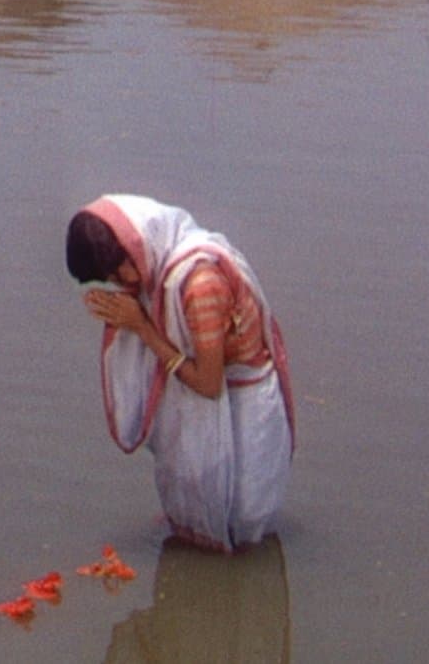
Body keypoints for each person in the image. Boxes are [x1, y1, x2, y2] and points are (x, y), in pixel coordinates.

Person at [67, 195, 294, 552]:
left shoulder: (200, 283)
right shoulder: (161, 272)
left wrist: (143, 328)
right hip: (215, 390)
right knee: (197, 514)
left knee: (243, 527)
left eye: (118, 271)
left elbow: (208, 384)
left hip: (242, 407)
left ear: (136, 245)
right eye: (111, 280)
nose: (123, 283)